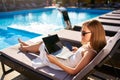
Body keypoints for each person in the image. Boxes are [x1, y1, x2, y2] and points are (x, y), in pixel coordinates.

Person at [18, 20, 106, 75]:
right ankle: (28, 47)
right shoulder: (90, 46)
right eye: (81, 32)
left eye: (84, 33)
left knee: (44, 45)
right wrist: (76, 51)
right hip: (67, 57)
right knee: (48, 45)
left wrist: (55, 62)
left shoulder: (90, 52)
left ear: (94, 34)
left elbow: (74, 72)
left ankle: (25, 48)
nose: (81, 35)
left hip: (62, 64)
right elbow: (81, 56)